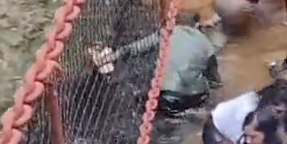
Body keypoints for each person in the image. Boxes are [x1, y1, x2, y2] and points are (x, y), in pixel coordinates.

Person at [87, 12, 221, 116]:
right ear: (196, 25)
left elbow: (135, 48)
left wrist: (111, 56)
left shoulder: (166, 33)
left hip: (163, 93)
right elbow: (215, 82)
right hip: (191, 96)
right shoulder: (207, 44)